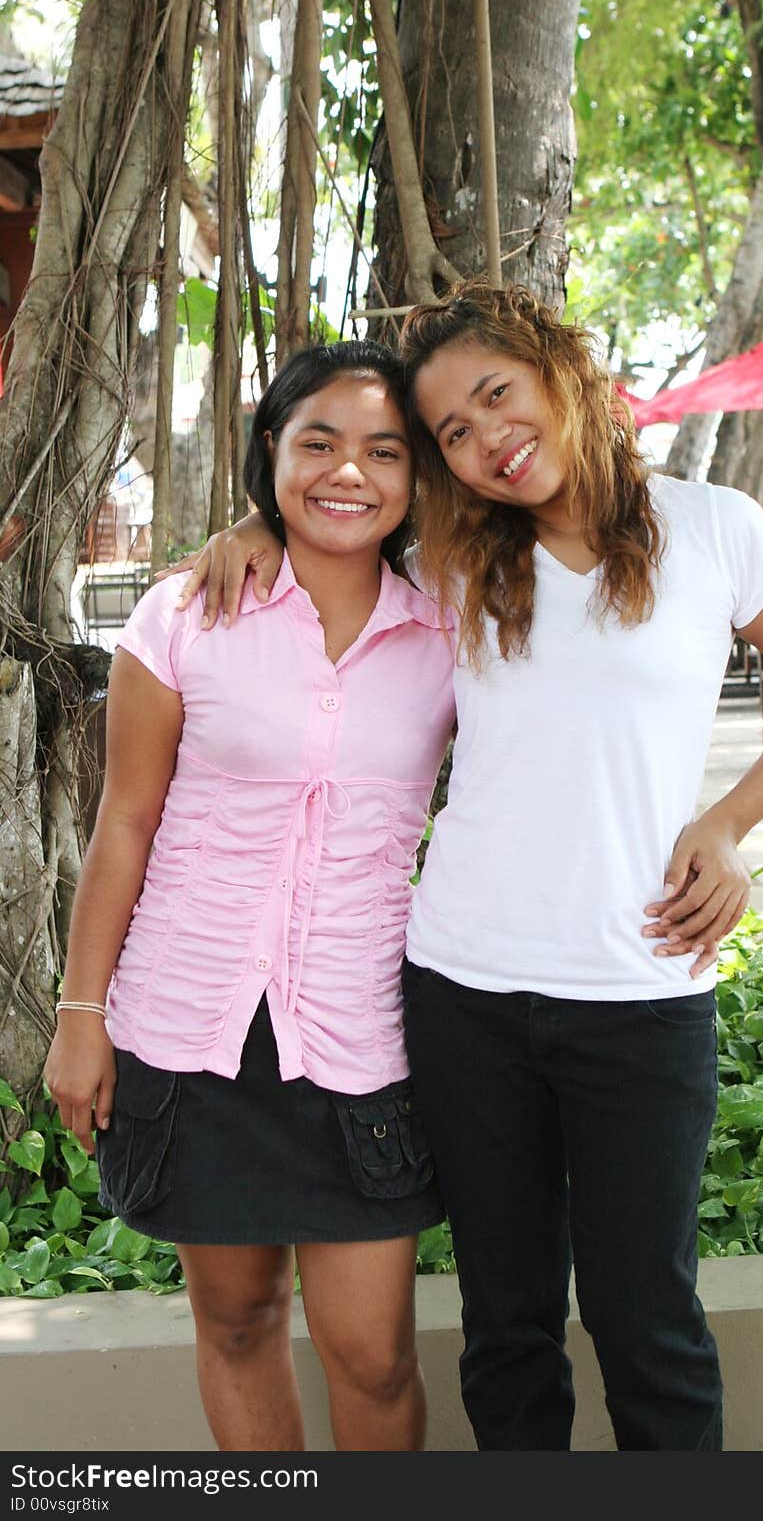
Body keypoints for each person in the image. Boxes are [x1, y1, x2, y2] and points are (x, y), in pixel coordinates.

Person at [167, 282, 763, 1453]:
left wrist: (730, 825)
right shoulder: (449, 558)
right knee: (505, 1325)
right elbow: (328, 522)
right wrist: (250, 527)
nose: (486, 437)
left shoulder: (717, 527)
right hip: (465, 996)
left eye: (495, 394)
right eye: (451, 430)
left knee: (650, 1323)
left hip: (641, 995)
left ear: (559, 370)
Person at [43, 340, 456, 1453]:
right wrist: (81, 1016)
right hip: (190, 1030)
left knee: (371, 1351)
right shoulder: (183, 615)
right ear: (270, 449)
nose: (348, 472)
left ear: (417, 475)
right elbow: (124, 820)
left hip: (360, 1038)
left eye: (384, 450)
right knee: (235, 1320)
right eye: (316, 441)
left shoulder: (452, 635)